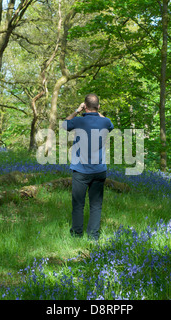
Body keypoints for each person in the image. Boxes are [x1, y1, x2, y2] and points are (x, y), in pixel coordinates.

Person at [62, 93, 114, 241]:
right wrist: (98, 111)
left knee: (78, 204)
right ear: (98, 107)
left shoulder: (78, 121)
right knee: (96, 205)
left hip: (81, 170)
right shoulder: (105, 122)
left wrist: (77, 111)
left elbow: (64, 124)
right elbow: (109, 124)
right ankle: (93, 237)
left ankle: (77, 235)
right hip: (99, 170)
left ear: (85, 106)